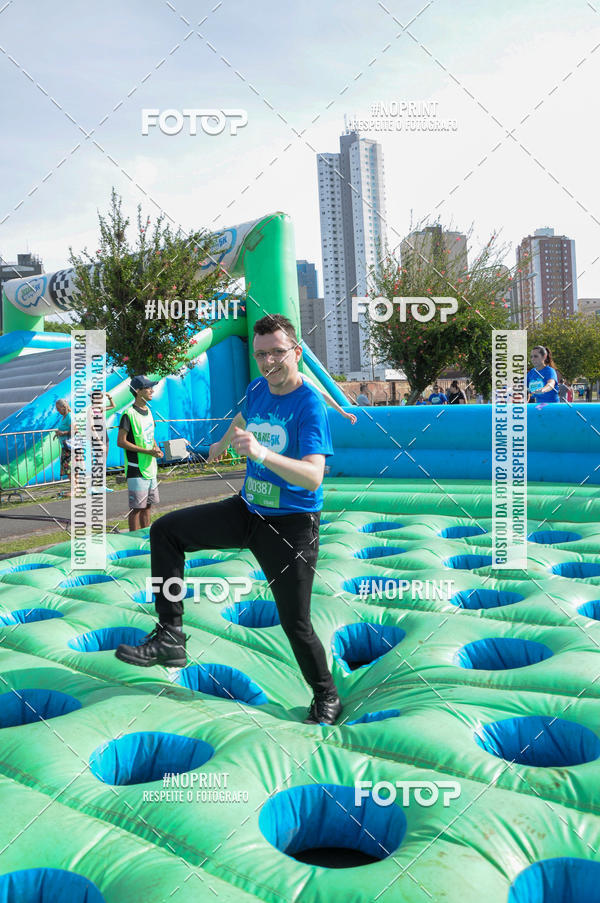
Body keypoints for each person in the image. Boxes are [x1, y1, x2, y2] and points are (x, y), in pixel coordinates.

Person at [115, 314, 342, 726]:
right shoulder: (258, 387)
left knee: (295, 622)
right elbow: (244, 417)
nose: (268, 361)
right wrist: (220, 445)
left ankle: (326, 694)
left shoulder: (309, 404)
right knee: (166, 531)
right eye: (260, 354)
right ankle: (170, 635)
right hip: (247, 510)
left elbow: (313, 475)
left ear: (296, 351)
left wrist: (261, 454)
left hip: (290, 525)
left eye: (277, 351)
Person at [117, 376, 164, 531]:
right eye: (148, 388)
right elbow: (121, 442)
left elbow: (150, 435)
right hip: (136, 468)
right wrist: (147, 451)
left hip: (150, 467)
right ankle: (134, 540)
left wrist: (156, 449)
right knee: (137, 508)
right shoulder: (128, 414)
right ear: (138, 391)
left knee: (148, 506)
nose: (152, 390)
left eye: (151, 387)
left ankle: (146, 538)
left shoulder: (149, 411)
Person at [54, 399, 72, 480]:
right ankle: (74, 489)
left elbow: (75, 430)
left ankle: (74, 490)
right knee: (68, 469)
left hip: (70, 446)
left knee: (70, 469)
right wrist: (58, 432)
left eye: (58, 408)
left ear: (63, 407)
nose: (57, 411)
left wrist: (63, 433)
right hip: (65, 446)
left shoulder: (69, 416)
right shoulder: (64, 417)